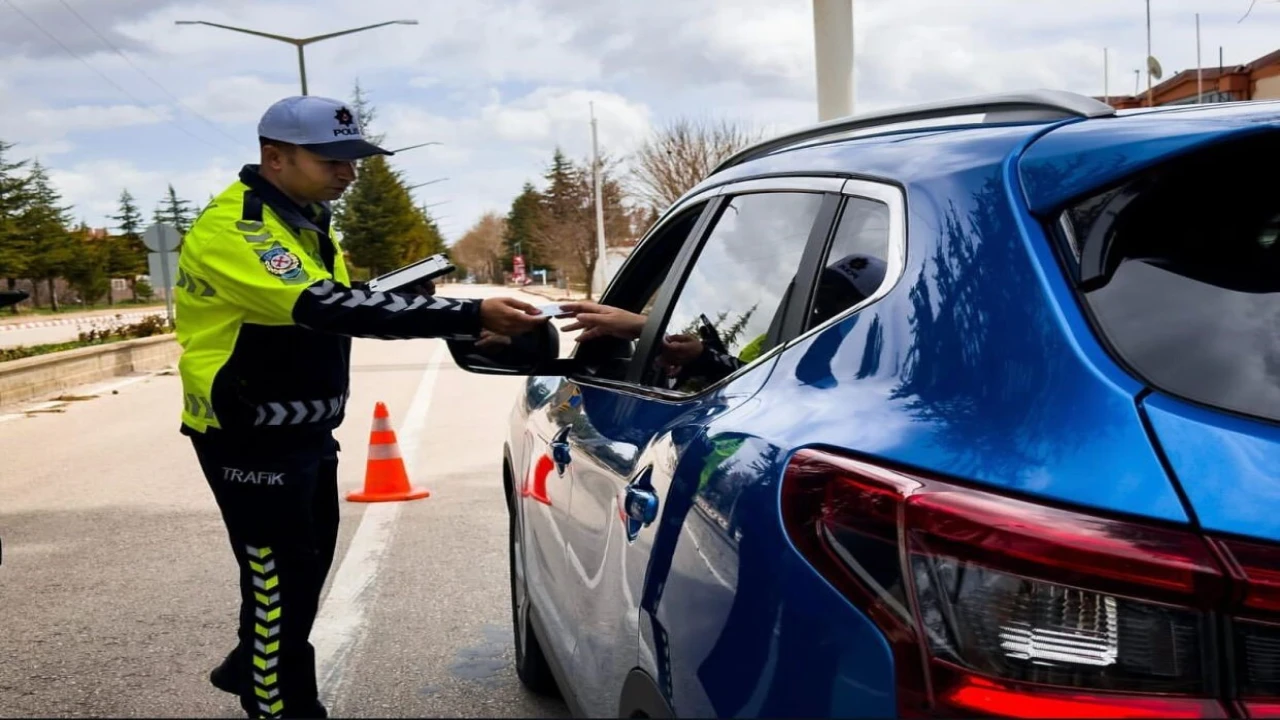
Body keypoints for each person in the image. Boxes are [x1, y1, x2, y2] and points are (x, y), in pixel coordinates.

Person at [175, 95, 547, 719]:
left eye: (354, 159)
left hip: (304, 426)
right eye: (332, 160)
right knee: (277, 586)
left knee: (303, 571)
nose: (348, 172)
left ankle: (248, 663)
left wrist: (430, 312)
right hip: (248, 431)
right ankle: (280, 703)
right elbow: (323, 307)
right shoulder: (239, 228)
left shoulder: (305, 221)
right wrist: (466, 313)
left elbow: (331, 302)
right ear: (275, 157)